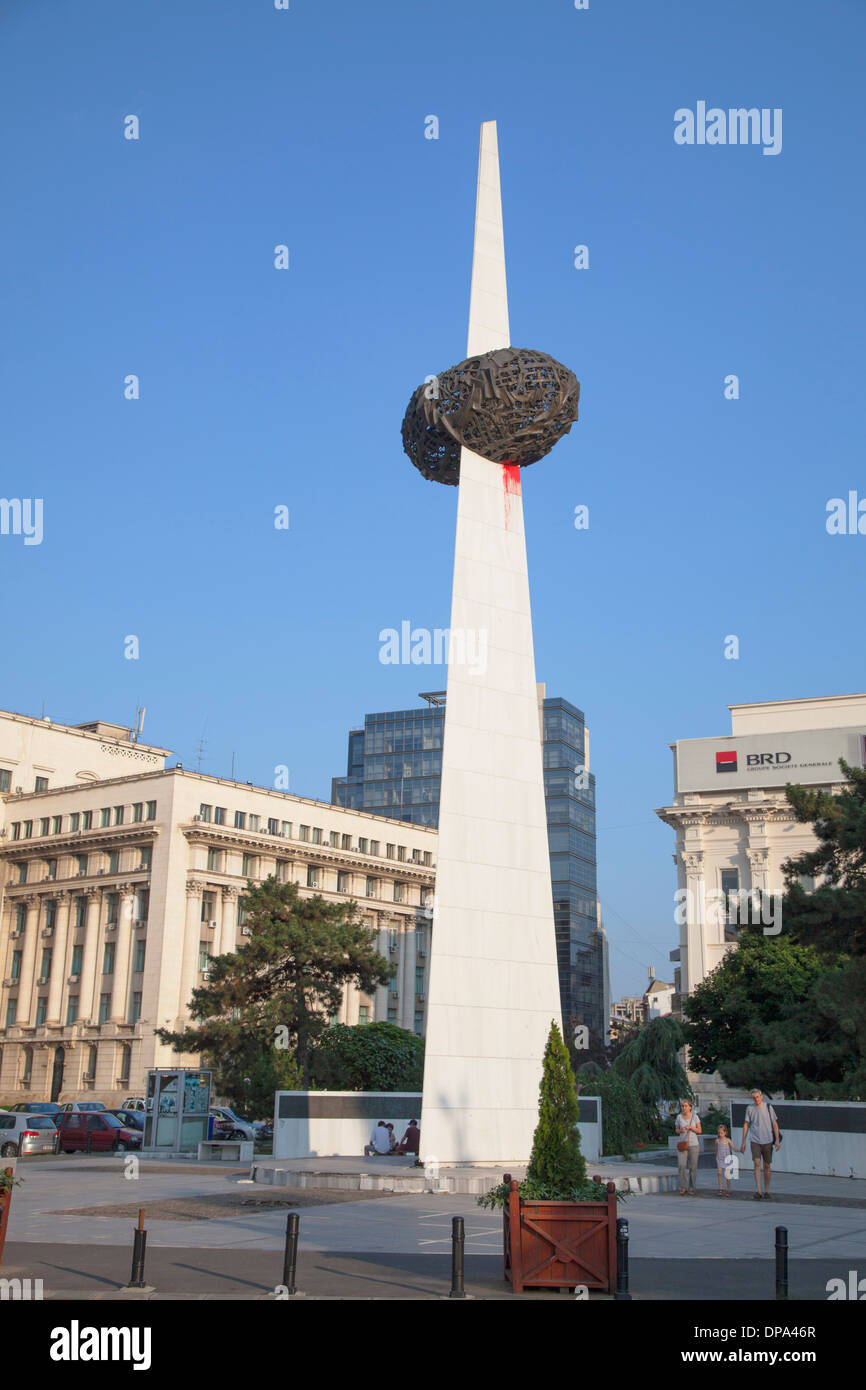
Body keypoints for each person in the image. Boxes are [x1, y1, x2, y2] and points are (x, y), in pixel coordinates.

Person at [739, 1088, 780, 1200]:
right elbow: (746, 1124)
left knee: (767, 1165)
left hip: (767, 1140)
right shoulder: (750, 1108)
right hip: (755, 1140)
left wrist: (776, 1140)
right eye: (754, 1097)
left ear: (761, 1097)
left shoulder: (768, 1107)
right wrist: (743, 1142)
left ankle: (766, 1190)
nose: (756, 1099)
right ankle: (758, 1190)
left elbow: (775, 1124)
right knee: (756, 1163)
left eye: (757, 1097)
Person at [675, 1100, 701, 1196]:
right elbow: (676, 1130)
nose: (684, 1108)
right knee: (681, 1165)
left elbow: (699, 1130)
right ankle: (683, 1186)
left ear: (690, 1107)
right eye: (682, 1106)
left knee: (693, 1167)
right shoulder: (679, 1117)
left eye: (686, 1106)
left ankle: (692, 1187)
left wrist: (691, 1127)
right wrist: (680, 1130)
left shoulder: (695, 1117)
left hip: (693, 1144)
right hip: (682, 1144)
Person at [715, 1124, 734, 1197]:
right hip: (720, 1159)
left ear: (725, 1132)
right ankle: (720, 1188)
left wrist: (739, 1150)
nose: (720, 1134)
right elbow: (716, 1150)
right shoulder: (717, 1141)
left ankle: (728, 1189)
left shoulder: (728, 1140)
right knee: (719, 1173)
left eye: (721, 1133)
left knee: (727, 1175)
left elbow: (733, 1148)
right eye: (719, 1133)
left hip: (727, 1159)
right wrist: (716, 1157)